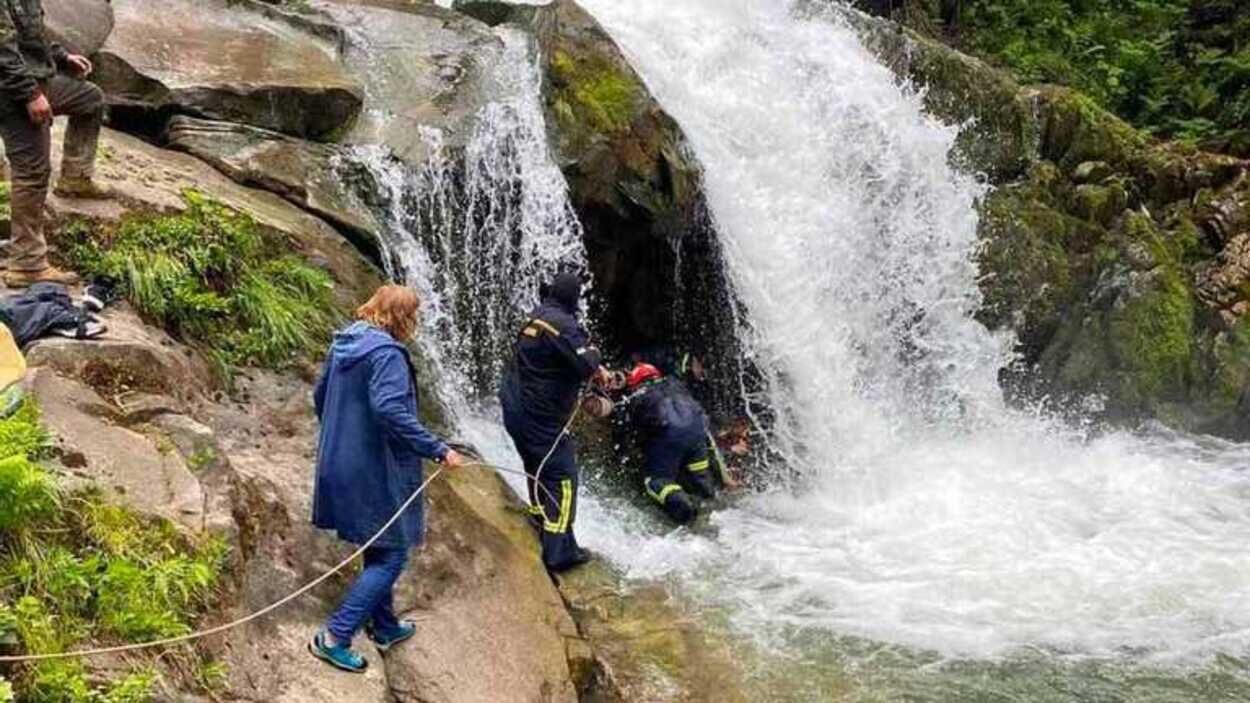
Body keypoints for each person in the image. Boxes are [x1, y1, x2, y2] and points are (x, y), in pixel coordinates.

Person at [309, 285, 466, 673]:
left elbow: (319, 396)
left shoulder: (346, 341)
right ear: (402, 318)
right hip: (372, 469)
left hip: (340, 461)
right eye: (414, 316)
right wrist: (437, 448)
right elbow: (390, 410)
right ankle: (334, 636)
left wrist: (344, 436)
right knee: (392, 555)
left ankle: (384, 625)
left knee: (378, 543)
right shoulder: (388, 354)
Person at [500, 271, 608, 572]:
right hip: (540, 416)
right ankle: (560, 550)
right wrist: (596, 355)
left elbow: (561, 358)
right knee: (563, 476)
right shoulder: (563, 325)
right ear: (572, 297)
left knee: (536, 465)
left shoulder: (537, 317)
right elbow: (586, 362)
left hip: (516, 409)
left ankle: (540, 517)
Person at [0, 0, 111, 288]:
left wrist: (62, 57)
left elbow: (31, 37)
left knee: (90, 99)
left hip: (33, 80)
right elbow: (2, 51)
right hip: (10, 94)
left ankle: (76, 177)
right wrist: (30, 95)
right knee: (32, 172)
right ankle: (26, 263)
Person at [619, 361, 718, 524]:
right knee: (699, 474)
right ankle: (712, 503)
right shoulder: (676, 383)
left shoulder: (636, 395)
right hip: (698, 430)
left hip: (670, 437)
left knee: (656, 481)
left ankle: (683, 508)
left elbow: (627, 430)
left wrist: (627, 455)